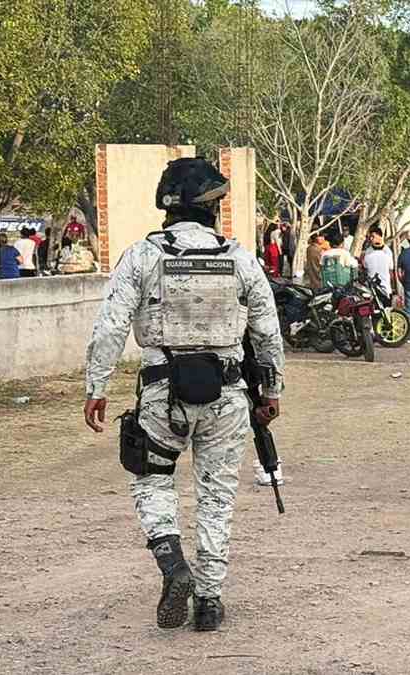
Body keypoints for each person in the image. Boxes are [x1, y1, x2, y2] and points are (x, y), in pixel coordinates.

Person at [82, 157, 285, 631]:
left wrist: (96, 387)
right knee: (217, 495)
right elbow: (268, 332)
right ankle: (210, 601)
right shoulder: (238, 257)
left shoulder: (143, 255)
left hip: (161, 392)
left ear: (167, 206)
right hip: (229, 394)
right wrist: (272, 389)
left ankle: (173, 563)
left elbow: (110, 325)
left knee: (152, 481)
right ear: (212, 206)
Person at [362, 227, 396, 297]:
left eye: (373, 236)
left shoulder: (387, 252)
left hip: (385, 288)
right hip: (372, 288)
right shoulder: (368, 251)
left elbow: (391, 271)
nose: (371, 239)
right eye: (370, 237)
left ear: (379, 236)